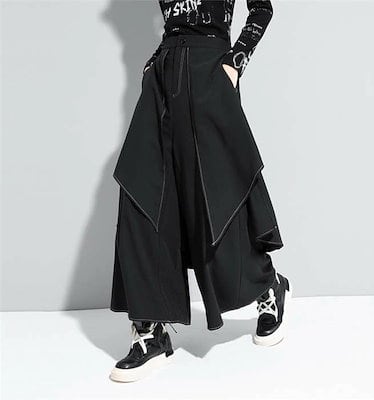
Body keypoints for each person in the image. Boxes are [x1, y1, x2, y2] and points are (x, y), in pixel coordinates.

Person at [109, 0, 292, 383]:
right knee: (143, 191)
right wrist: (154, 64)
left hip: (211, 71)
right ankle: (151, 331)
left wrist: (235, 62)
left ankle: (268, 287)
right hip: (164, 74)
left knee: (217, 196)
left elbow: (262, 8)